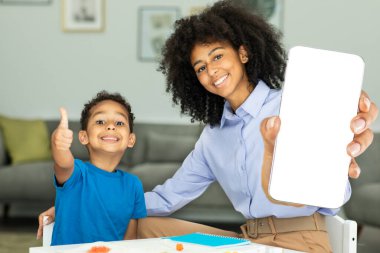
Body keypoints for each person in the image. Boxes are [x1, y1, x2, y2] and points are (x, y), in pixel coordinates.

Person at [38, 1, 378, 252]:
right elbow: (169, 196)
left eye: (218, 56)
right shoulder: (213, 137)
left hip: (303, 239)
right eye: (200, 67)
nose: (211, 71)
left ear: (243, 53)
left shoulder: (293, 103)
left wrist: (341, 118)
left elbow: (333, 192)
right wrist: (82, 200)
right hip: (250, 241)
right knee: (146, 225)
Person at [49, 91, 146, 245]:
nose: (110, 127)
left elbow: (130, 240)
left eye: (119, 123)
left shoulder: (133, 185)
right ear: (83, 137)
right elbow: (63, 163)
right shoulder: (77, 173)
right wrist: (58, 143)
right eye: (100, 122)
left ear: (131, 139)